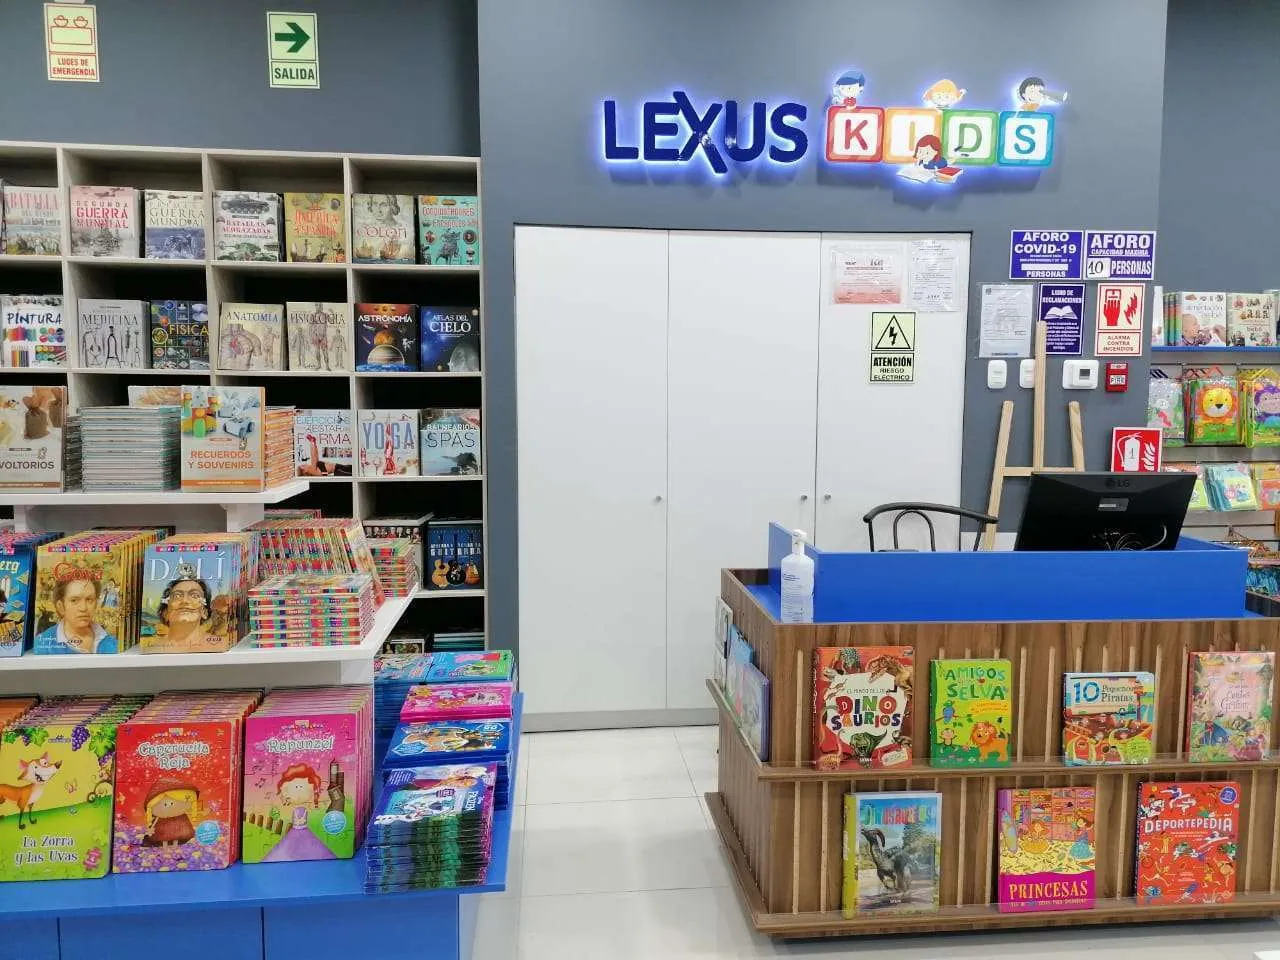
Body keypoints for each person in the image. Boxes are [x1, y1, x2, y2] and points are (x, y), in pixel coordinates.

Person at [35, 572, 117, 654]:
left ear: (96, 604)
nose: (83, 608)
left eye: (89, 599)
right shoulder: (43, 644)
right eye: (74, 600)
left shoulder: (112, 642)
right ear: (61, 606)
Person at [157, 571, 217, 649]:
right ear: (165, 613)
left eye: (195, 595)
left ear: (204, 612)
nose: (185, 601)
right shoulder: (153, 648)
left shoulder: (218, 645)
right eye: (177, 596)